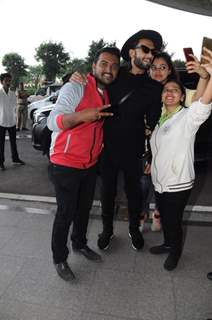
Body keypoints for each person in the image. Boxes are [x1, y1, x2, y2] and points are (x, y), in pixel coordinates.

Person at [71, 30, 163, 251]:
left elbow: (153, 123)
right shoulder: (115, 74)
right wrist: (73, 77)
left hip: (133, 150)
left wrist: (151, 153)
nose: (151, 55)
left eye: (154, 51)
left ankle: (133, 229)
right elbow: (91, 83)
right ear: (132, 52)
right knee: (107, 193)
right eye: (146, 49)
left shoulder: (154, 88)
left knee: (134, 194)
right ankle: (107, 230)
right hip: (107, 148)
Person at [47, 47, 120, 281]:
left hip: (89, 165)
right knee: (65, 213)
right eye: (104, 64)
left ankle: (79, 244)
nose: (109, 69)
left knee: (84, 209)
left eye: (114, 66)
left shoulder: (105, 93)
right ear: (94, 67)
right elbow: (52, 121)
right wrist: (81, 116)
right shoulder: (75, 86)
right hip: (65, 163)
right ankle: (60, 258)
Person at [149, 47, 212, 271]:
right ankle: (167, 244)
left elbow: (203, 104)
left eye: (175, 90)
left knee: (173, 221)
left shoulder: (187, 117)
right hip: (160, 181)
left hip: (178, 182)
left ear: (182, 96)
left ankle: (174, 253)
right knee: (165, 217)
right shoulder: (161, 119)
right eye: (166, 90)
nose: (170, 92)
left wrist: (209, 76)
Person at [140, 52, 178, 232]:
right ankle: (141, 214)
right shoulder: (143, 91)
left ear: (169, 70)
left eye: (162, 67)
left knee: (162, 187)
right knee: (143, 185)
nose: (157, 71)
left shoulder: (175, 94)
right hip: (144, 149)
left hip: (167, 152)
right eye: (153, 67)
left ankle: (158, 213)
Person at [0, 73, 25, 170]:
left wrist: (15, 117)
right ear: (1, 82)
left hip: (11, 121)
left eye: (9, 80)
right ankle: (1, 162)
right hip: (1, 122)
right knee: (1, 144)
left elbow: (15, 107)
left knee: (13, 142)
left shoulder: (12, 93)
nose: (8, 82)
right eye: (6, 80)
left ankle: (15, 159)